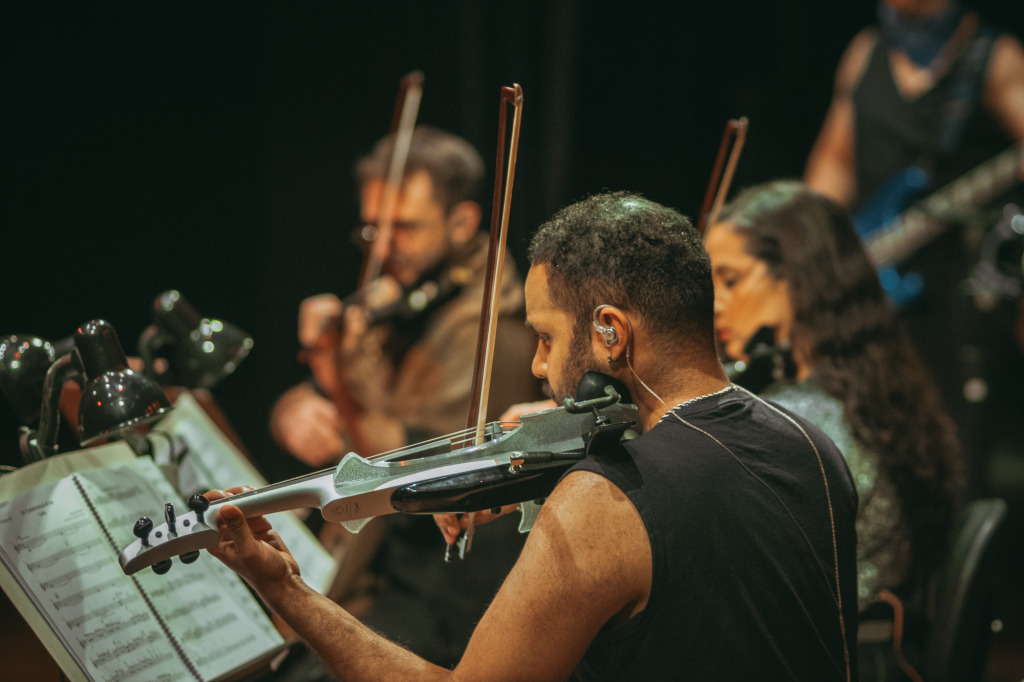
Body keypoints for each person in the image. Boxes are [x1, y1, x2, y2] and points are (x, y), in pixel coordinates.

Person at [206, 192, 860, 681]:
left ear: (611, 332)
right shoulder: (811, 446)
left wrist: (287, 590)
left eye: (545, 338)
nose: (540, 367)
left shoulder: (602, 504)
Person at [270, 125, 542, 669]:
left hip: (440, 590)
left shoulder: (493, 333)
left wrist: (347, 393)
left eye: (405, 229)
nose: (385, 249)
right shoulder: (407, 303)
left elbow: (397, 468)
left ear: (462, 223)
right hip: (374, 563)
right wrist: (296, 409)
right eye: (372, 230)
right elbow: (318, 400)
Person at [704, 180, 963, 678]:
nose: (713, 302)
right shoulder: (877, 387)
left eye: (731, 279)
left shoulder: (800, 420)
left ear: (795, 280)